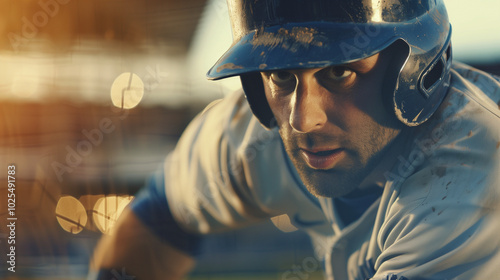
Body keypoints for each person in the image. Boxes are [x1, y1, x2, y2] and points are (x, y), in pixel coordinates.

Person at [89, 0, 500, 279]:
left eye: (339, 72)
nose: (303, 120)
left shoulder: (475, 174)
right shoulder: (253, 137)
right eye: (281, 75)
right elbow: (158, 219)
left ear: (415, 69)